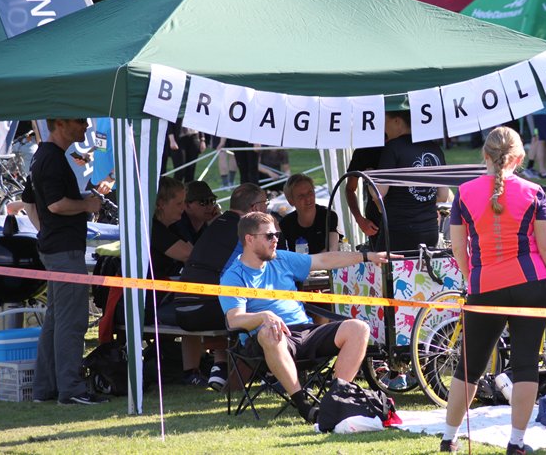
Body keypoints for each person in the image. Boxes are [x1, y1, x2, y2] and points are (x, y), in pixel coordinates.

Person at [440, 127, 546, 454]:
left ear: (485, 155)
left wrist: (472, 278)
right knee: (526, 364)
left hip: (485, 285)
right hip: (532, 283)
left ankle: (449, 438)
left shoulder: (464, 192)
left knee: (469, 366)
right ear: (520, 158)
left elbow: (458, 247)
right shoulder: (534, 191)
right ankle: (516, 443)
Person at [219, 211, 392, 423]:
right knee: (270, 333)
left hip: (304, 330)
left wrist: (367, 256)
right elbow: (234, 319)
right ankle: (304, 406)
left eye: (277, 235)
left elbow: (323, 259)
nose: (275, 240)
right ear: (249, 239)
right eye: (269, 236)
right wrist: (263, 316)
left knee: (359, 328)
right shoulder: (233, 276)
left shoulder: (281, 258)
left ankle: (335, 401)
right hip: (268, 340)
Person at [23, 118, 105, 405]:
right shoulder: (52, 159)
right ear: (59, 123)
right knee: (72, 321)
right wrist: (87, 205)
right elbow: (56, 204)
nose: (86, 126)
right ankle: (71, 389)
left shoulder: (44, 156)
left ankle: (45, 388)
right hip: (64, 252)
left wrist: (45, 230)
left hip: (55, 248)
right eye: (80, 121)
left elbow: (30, 201)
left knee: (56, 320)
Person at [177, 183, 268, 390]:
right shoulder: (248, 231)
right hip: (208, 309)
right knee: (267, 307)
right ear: (255, 208)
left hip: (182, 307)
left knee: (233, 299)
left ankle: (221, 367)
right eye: (265, 203)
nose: (267, 208)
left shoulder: (216, 225)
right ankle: (268, 369)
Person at [148, 176, 209, 386]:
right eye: (178, 203)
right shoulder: (153, 229)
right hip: (149, 301)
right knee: (192, 309)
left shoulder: (172, 227)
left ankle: (208, 365)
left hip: (165, 295)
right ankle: (192, 371)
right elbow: (190, 255)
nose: (183, 208)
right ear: (160, 204)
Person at [374, 110, 450, 252]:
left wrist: (369, 178)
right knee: (423, 267)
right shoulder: (435, 148)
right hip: (429, 229)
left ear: (397, 121)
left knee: (384, 266)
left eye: (385, 122)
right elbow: (443, 196)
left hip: (399, 230)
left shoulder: (393, 147)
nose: (383, 129)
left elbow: (379, 192)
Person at [278, 173, 339, 253]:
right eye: (301, 196)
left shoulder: (328, 215)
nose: (308, 198)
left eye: (310, 193)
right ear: (291, 201)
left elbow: (332, 249)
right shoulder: (285, 223)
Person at [345, 146, 383, 248]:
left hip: (407, 219)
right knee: (380, 256)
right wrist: (359, 219)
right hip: (376, 222)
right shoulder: (364, 151)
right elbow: (350, 189)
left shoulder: (404, 146)